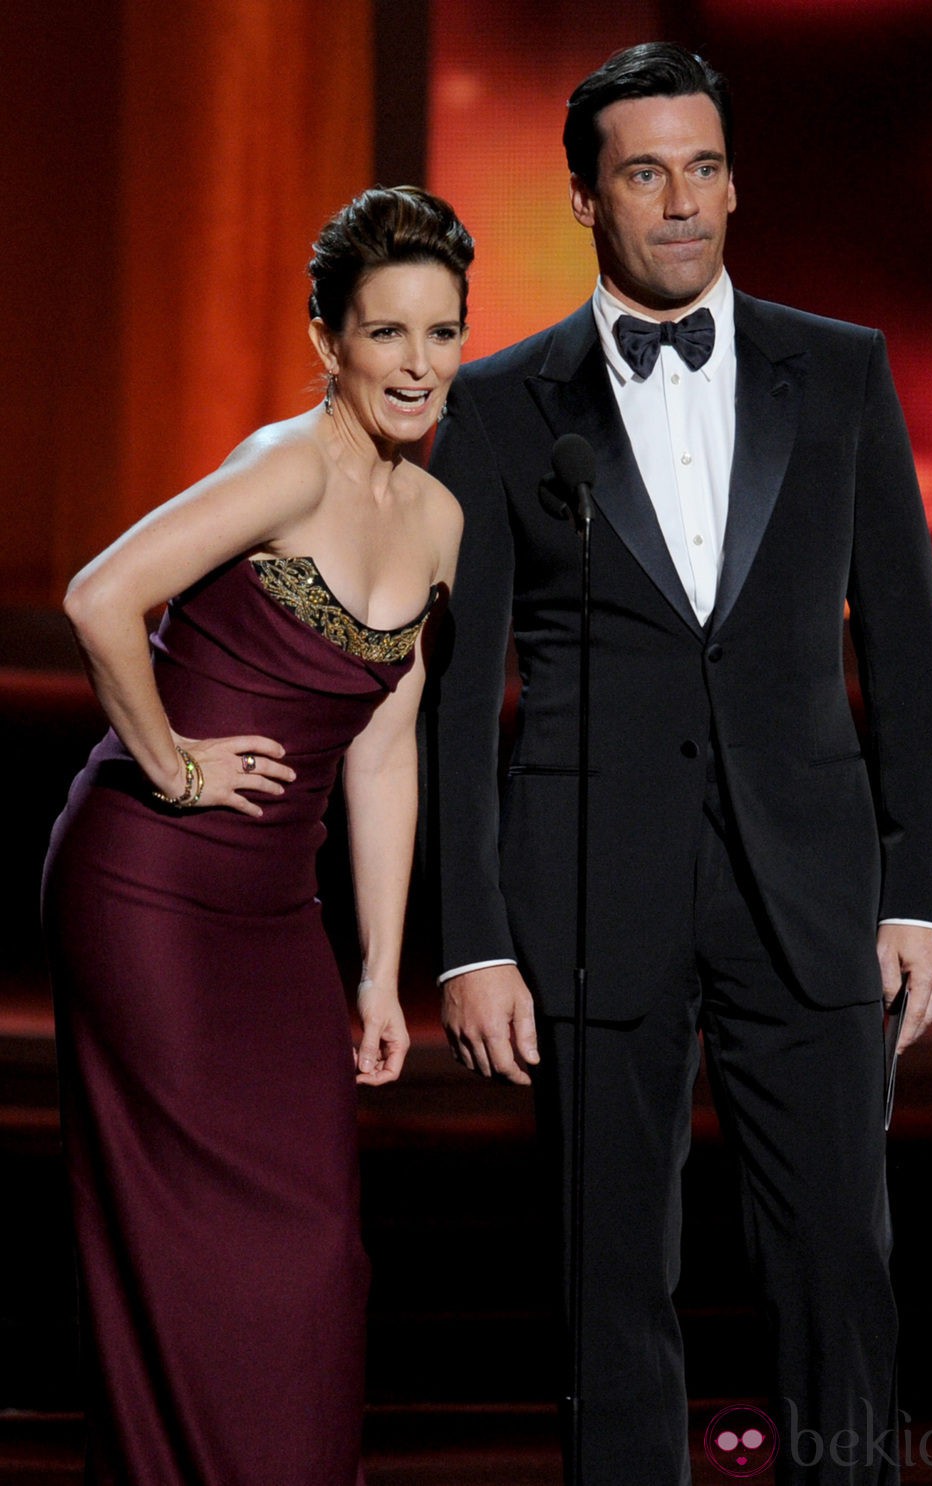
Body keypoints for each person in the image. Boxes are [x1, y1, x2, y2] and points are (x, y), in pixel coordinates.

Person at [426, 43, 932, 1486]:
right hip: (591, 890)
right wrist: (470, 937)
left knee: (840, 1261)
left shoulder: (839, 369)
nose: (684, 201)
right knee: (607, 1283)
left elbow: (903, 649)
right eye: (646, 171)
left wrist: (925, 892)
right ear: (586, 197)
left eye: (705, 165)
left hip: (816, 882)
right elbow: (462, 699)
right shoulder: (499, 405)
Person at [42, 185, 472, 1486]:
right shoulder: (282, 464)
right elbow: (100, 594)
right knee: (198, 1255)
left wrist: (380, 965)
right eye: (386, 333)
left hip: (279, 915)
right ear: (327, 340)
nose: (417, 364)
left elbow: (387, 747)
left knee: (316, 1247)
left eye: (442, 333)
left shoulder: (441, 519)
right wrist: (169, 764)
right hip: (149, 893)